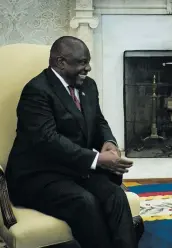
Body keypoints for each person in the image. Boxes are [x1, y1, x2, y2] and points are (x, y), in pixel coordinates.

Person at [5, 36, 143, 248]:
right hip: (38, 175)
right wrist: (97, 159)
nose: (88, 68)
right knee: (84, 202)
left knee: (115, 195)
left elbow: (98, 120)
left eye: (88, 62)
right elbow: (48, 141)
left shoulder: (88, 86)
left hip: (75, 168)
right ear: (60, 63)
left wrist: (109, 142)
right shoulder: (37, 91)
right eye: (81, 62)